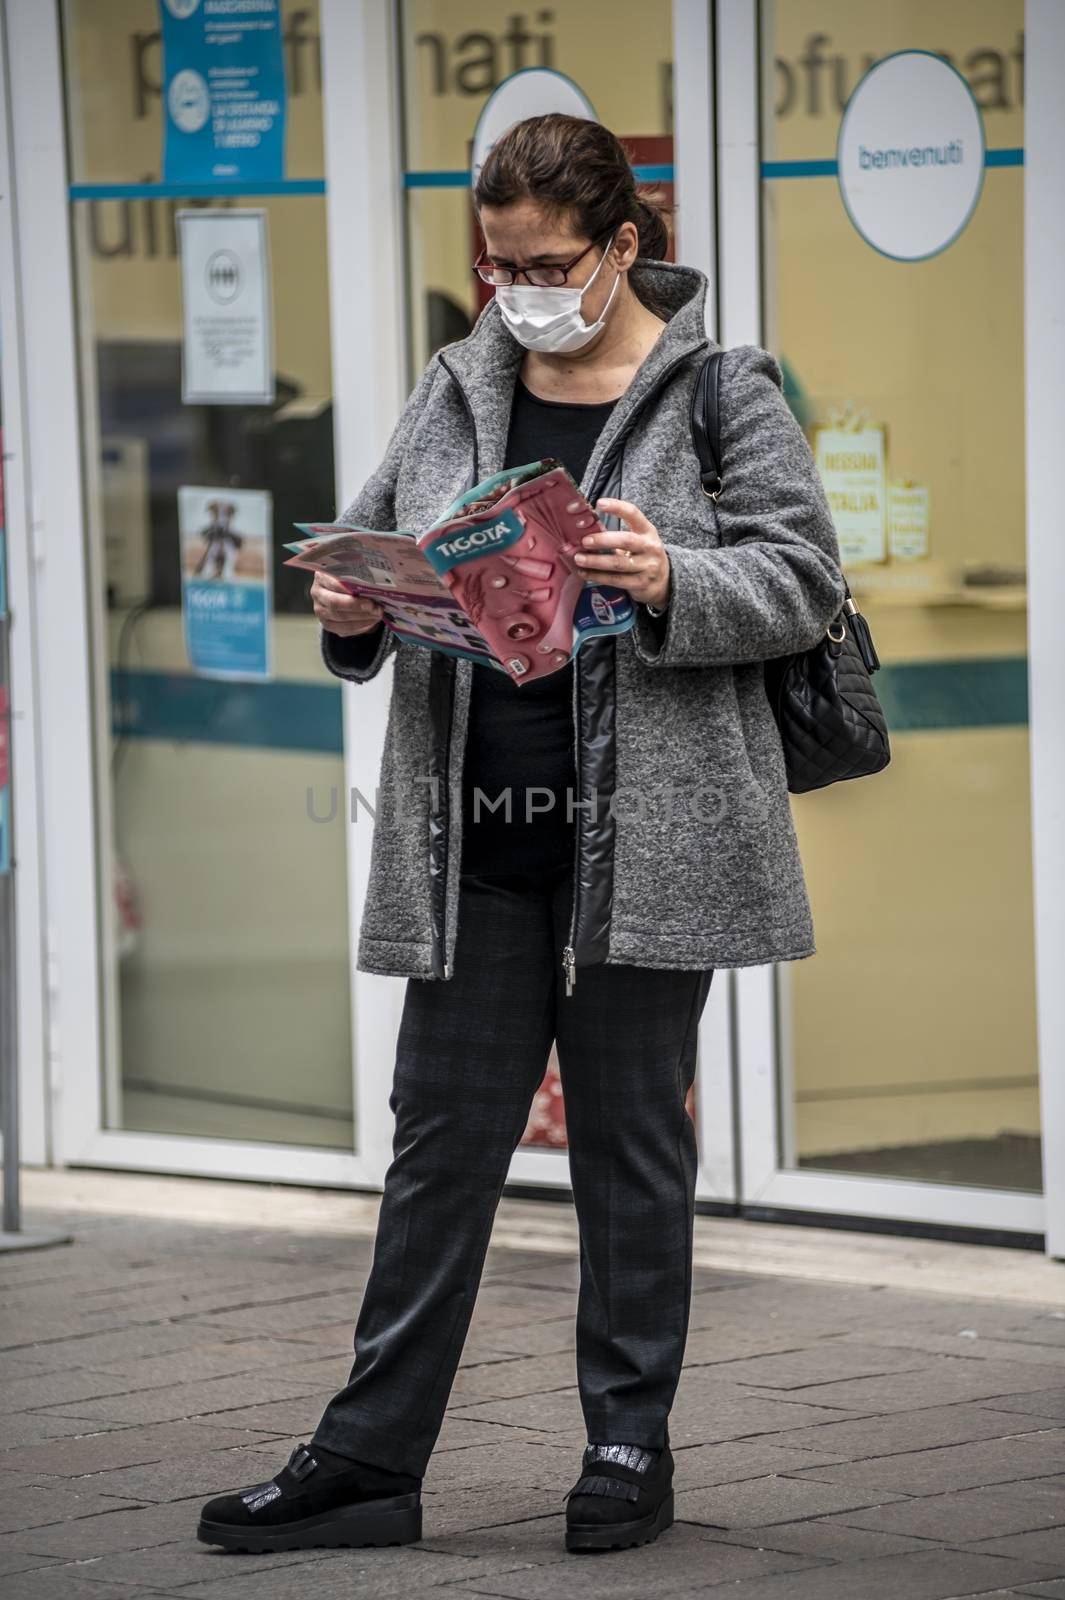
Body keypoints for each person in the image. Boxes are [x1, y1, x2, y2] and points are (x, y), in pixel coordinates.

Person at [197, 113, 845, 1557]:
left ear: (626, 246)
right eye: (497, 267)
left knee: (630, 1155)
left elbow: (803, 579)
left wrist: (672, 570)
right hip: (473, 841)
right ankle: (367, 1462)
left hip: (647, 847)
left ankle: (627, 1445)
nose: (520, 292)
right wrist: (352, 610)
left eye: (548, 263)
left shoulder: (719, 389)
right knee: (437, 1151)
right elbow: (367, 545)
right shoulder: (455, 381)